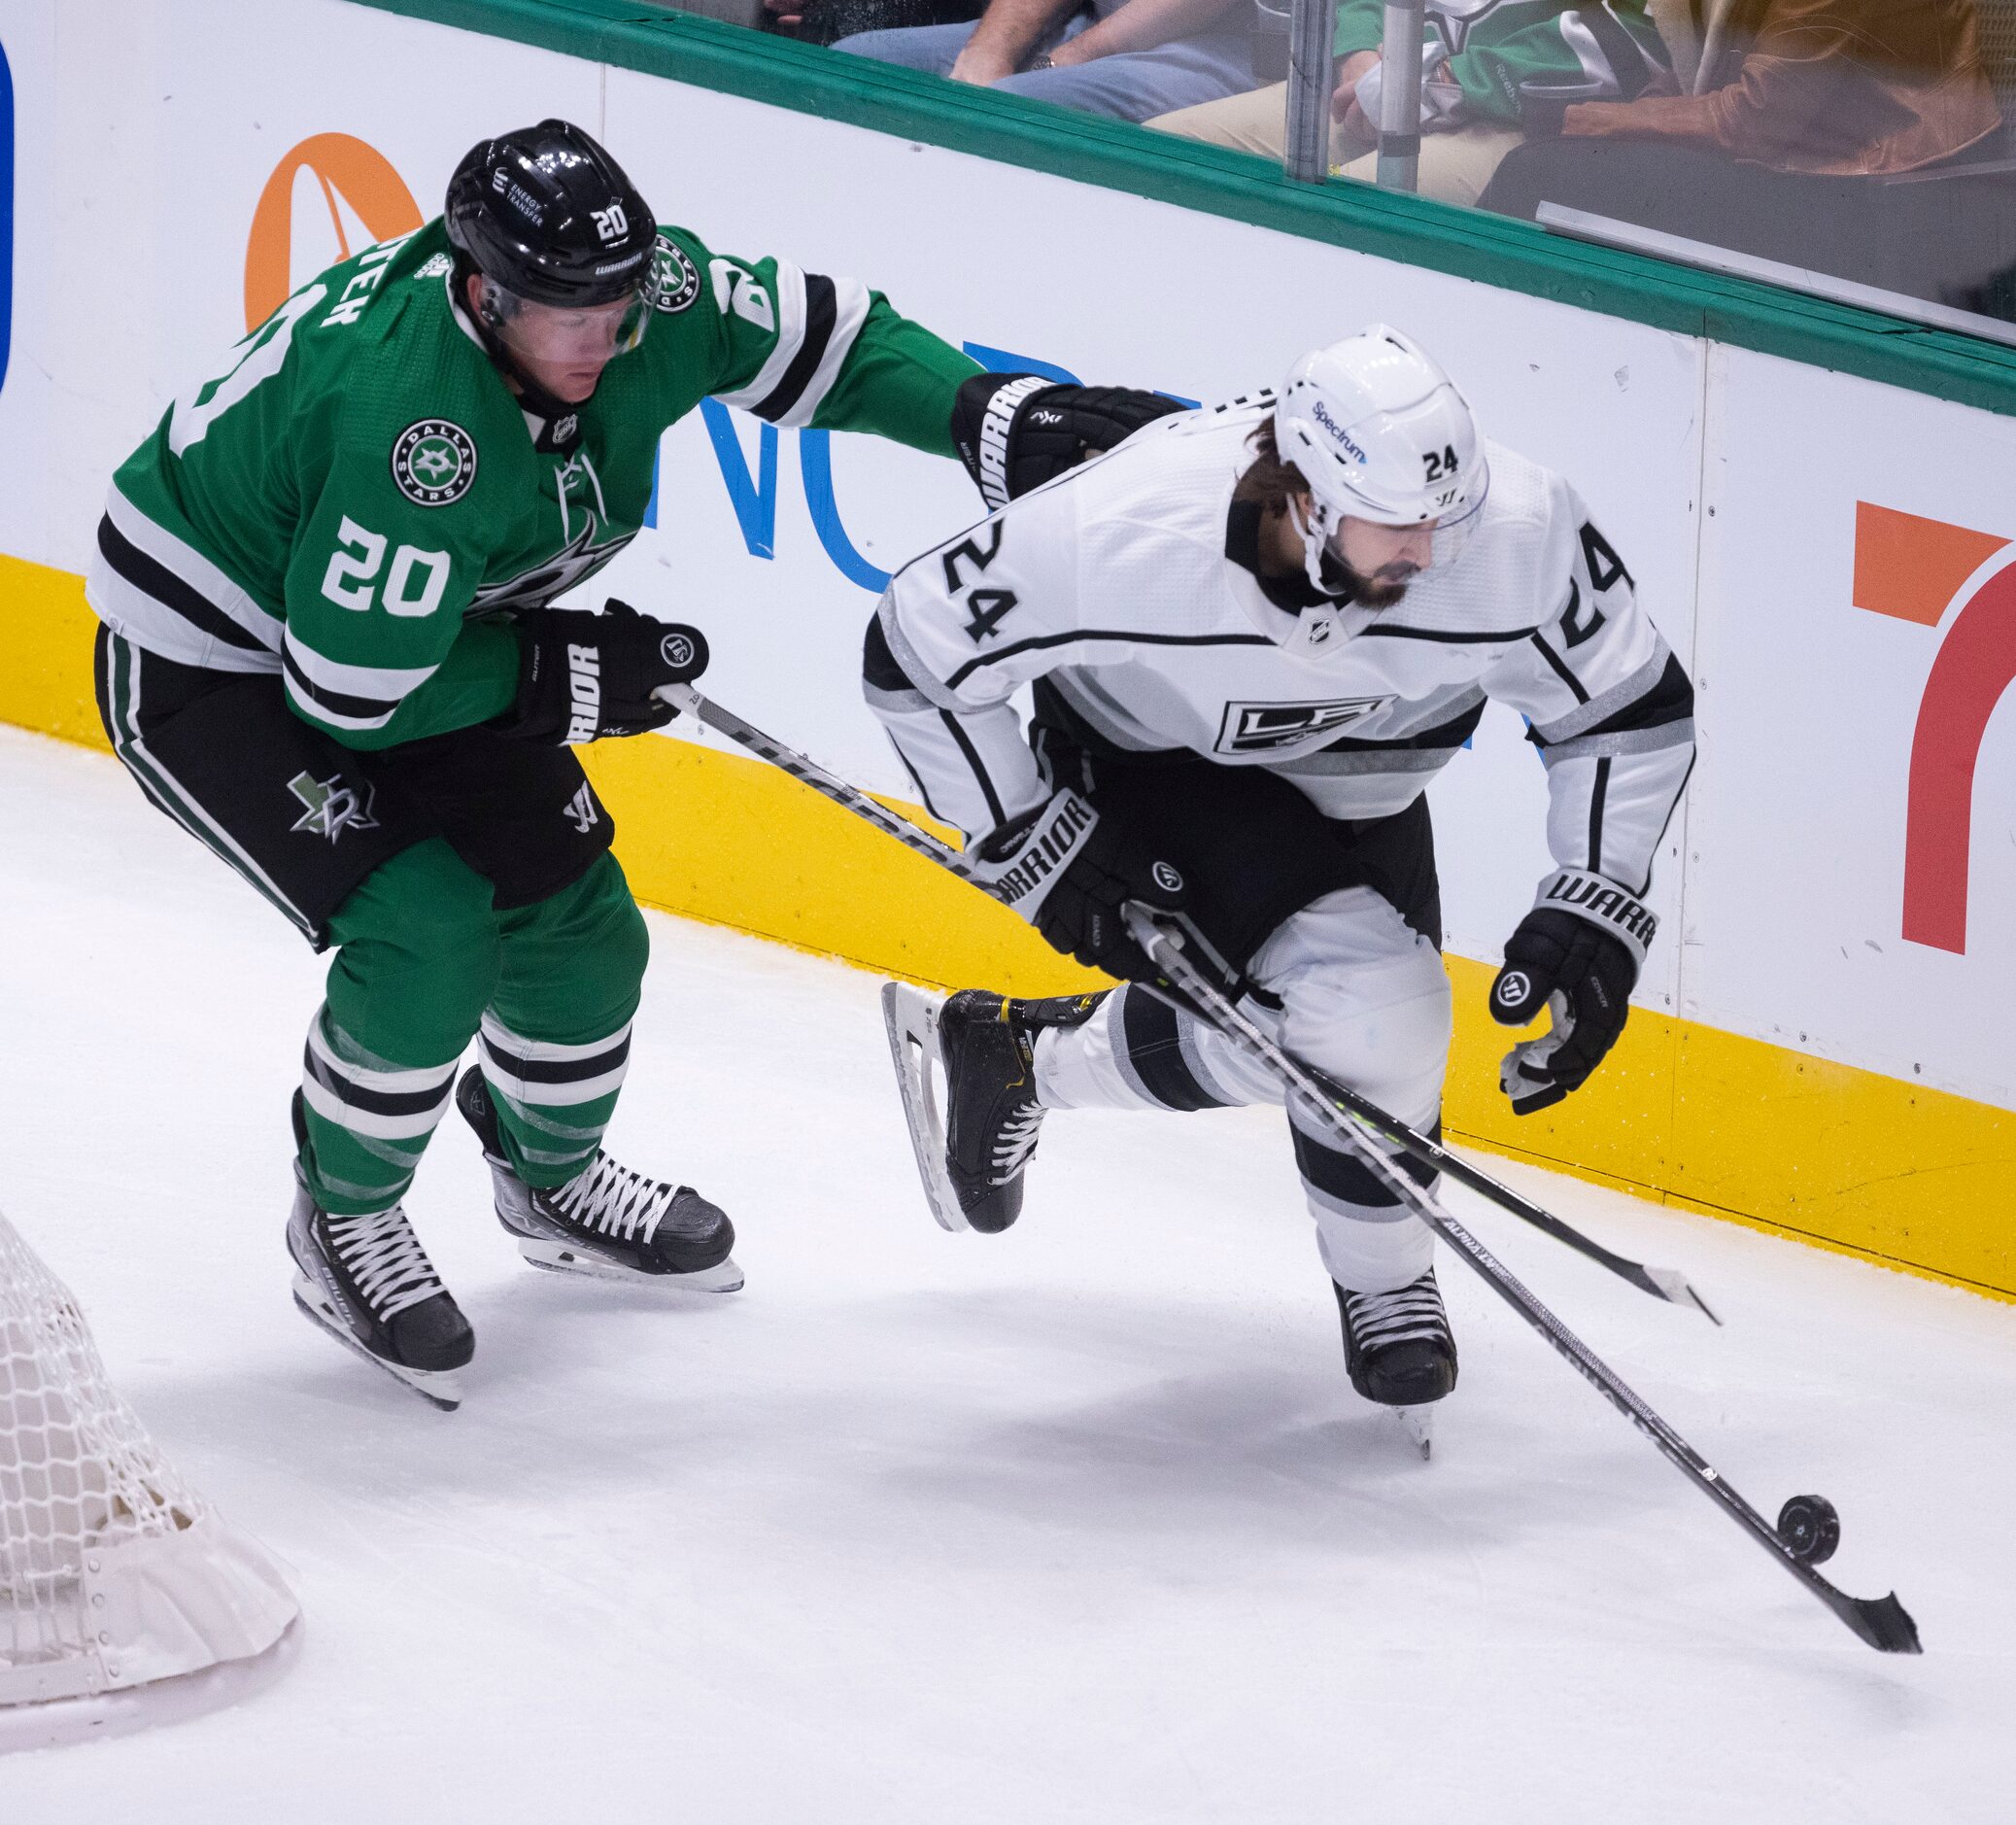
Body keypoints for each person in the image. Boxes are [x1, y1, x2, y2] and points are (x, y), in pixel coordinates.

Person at [87, 118, 1176, 1409]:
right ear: (483, 295)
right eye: (571, 318)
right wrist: (558, 678)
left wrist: (972, 412)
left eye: (620, 306)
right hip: (221, 667)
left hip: (424, 636)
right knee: (427, 933)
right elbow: (351, 693)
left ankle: (548, 1178)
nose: (608, 343)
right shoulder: (412, 436)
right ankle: (342, 1218)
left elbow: (816, 338)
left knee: (581, 924)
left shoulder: (632, 300)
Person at [866, 326, 1693, 1420]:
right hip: (1153, 768)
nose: (1434, 555)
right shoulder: (1126, 526)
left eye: (1445, 519)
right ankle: (1389, 1283)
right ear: (1303, 497)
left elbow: (1625, 708)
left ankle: (1022, 1053)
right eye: (1398, 527)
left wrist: (1596, 900)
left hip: (1364, 793)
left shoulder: (1517, 532)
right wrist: (1028, 842)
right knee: (1377, 1016)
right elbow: (915, 657)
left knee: (1360, 1041)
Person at [1149, 0, 1670, 208]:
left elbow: (1636, 43)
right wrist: (1357, 53)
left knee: (1352, 207)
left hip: (1521, 116)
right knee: (1164, 152)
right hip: (1373, 80)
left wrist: (1441, 82)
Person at [831, 0, 1261, 124]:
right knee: (852, 63)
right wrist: (989, 52)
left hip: (1217, 48)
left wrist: (1062, 61)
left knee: (1014, 107)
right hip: (1086, 18)